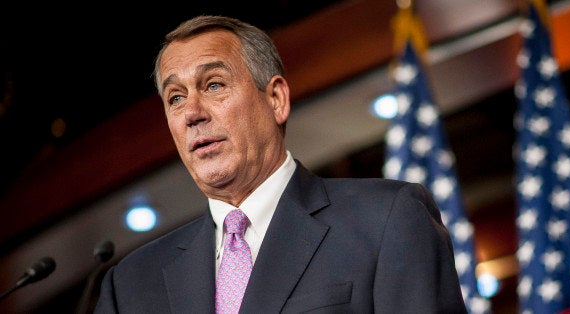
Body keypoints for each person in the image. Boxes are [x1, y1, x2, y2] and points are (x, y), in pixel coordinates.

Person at [94, 15, 467, 313]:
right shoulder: (130, 285)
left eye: (213, 85)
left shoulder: (387, 220)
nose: (192, 112)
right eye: (175, 97)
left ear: (275, 99)